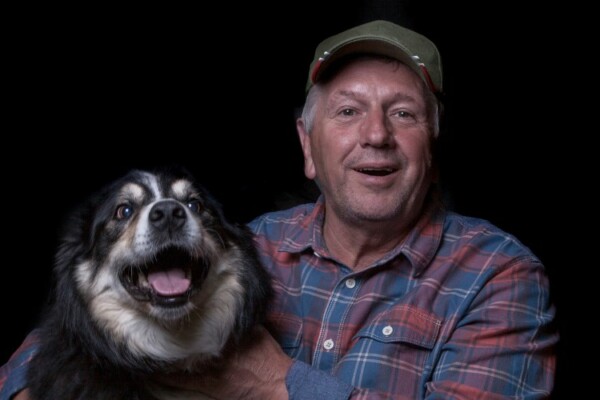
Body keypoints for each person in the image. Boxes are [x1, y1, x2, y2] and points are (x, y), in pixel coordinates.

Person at [1, 19, 557, 399]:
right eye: (346, 111)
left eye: (404, 115)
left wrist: (275, 382)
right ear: (307, 147)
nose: (375, 135)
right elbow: (68, 328)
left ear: (433, 150)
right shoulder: (247, 244)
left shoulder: (499, 275)